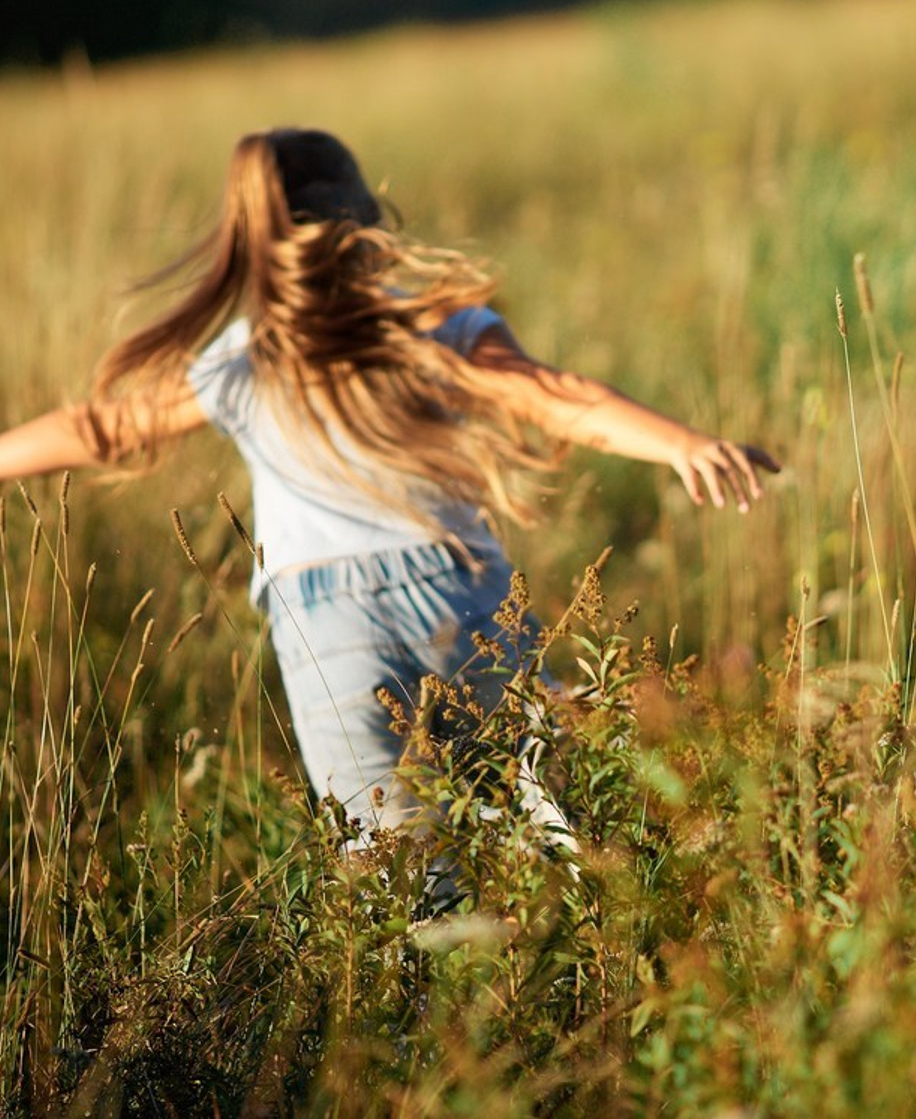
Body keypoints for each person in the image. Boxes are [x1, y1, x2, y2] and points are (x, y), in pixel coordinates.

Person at [0, 127, 778, 847]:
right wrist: (682, 443)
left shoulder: (245, 361)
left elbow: (102, 426)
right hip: (459, 593)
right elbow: (551, 395)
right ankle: (667, 711)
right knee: (551, 825)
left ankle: (435, 982)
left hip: (327, 627)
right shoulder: (438, 325)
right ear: (371, 220)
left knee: (390, 868)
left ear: (260, 247)